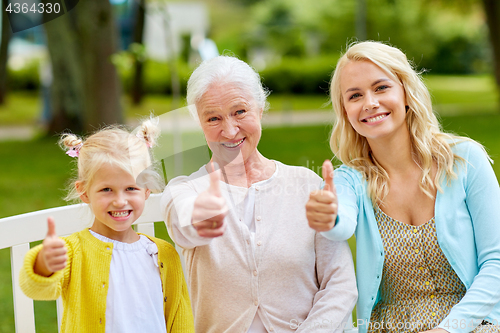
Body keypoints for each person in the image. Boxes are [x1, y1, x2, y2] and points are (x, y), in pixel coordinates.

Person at [305, 40, 500, 333]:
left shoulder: (464, 160)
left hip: (472, 323)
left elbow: (496, 261)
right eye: (355, 95)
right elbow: (340, 225)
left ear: (406, 92)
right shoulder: (348, 180)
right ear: (345, 111)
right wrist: (328, 217)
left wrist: (449, 329)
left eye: (381, 88)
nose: (370, 102)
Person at [161, 55, 357, 332]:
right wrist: (199, 217)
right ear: (199, 123)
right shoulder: (185, 190)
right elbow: (183, 220)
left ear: (261, 108)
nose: (229, 130)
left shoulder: (307, 184)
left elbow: (341, 285)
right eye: (213, 118)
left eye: (240, 112)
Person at [19, 120, 194, 333]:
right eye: (107, 190)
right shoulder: (73, 251)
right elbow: (38, 290)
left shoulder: (165, 254)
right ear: (84, 191)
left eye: (131, 188)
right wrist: (44, 264)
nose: (120, 201)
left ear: (146, 189)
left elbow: (180, 318)